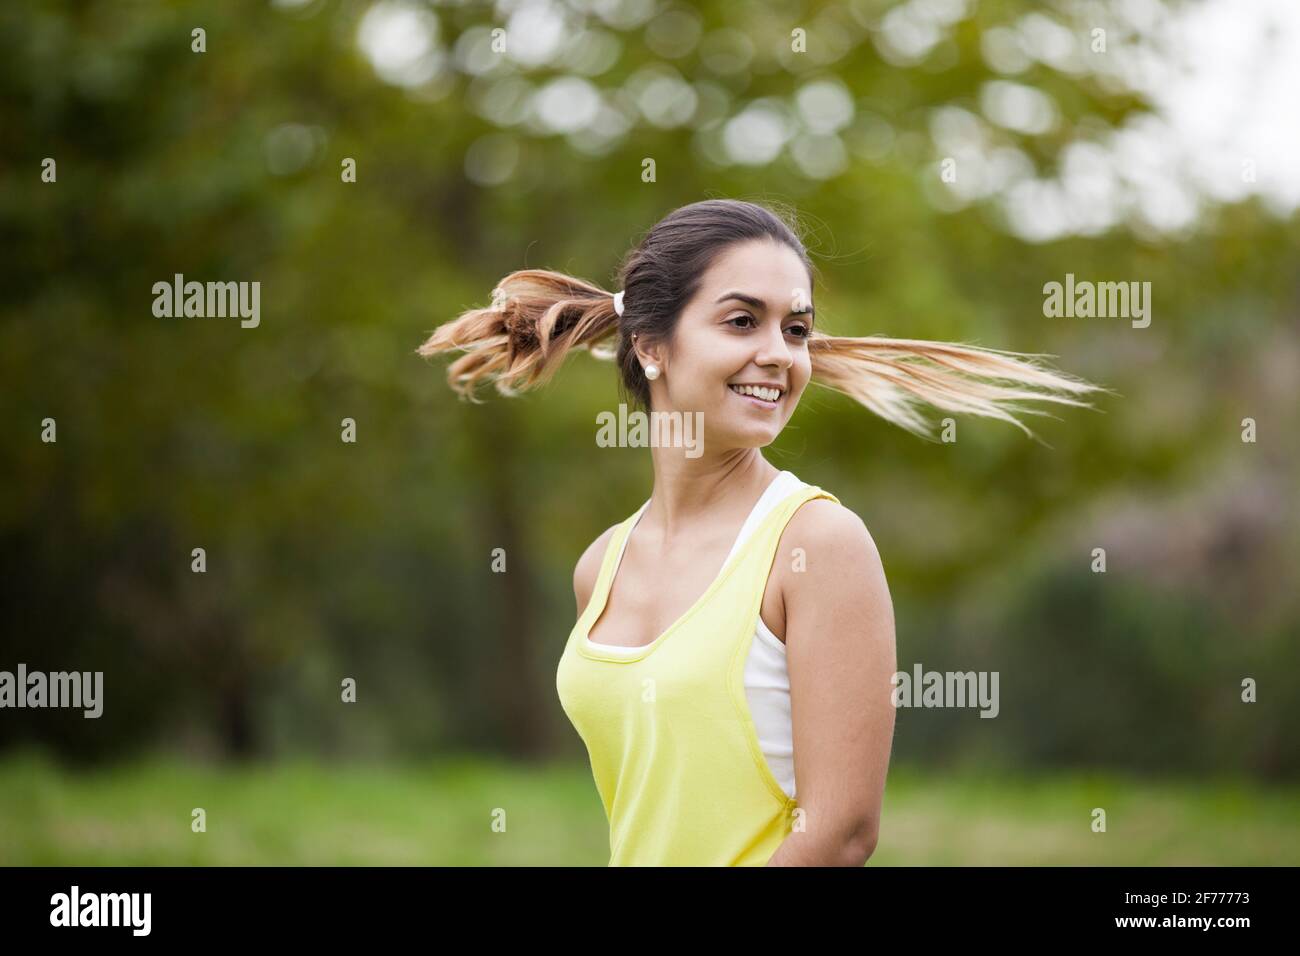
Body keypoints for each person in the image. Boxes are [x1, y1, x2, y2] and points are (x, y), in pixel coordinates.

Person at [418, 199, 1101, 866]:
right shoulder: (601, 567)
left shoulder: (817, 544)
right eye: (743, 321)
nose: (779, 354)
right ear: (653, 345)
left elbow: (840, 835)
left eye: (796, 330)